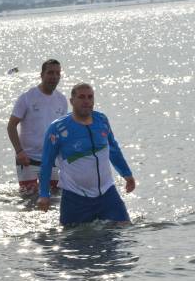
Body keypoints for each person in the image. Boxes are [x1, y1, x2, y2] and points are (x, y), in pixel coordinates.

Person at [37, 83, 137, 225]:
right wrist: (44, 194)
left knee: (124, 228)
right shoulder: (57, 128)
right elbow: (47, 163)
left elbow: (113, 149)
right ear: (72, 101)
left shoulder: (102, 120)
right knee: (73, 237)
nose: (86, 101)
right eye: (81, 97)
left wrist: (127, 174)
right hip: (75, 197)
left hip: (107, 194)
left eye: (90, 97)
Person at [7, 59, 67, 195]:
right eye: (50, 73)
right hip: (28, 159)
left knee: (55, 197)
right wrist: (19, 151)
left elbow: (62, 130)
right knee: (29, 198)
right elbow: (11, 126)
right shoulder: (27, 98)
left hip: (52, 159)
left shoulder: (62, 100)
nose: (54, 77)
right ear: (42, 75)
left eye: (57, 73)